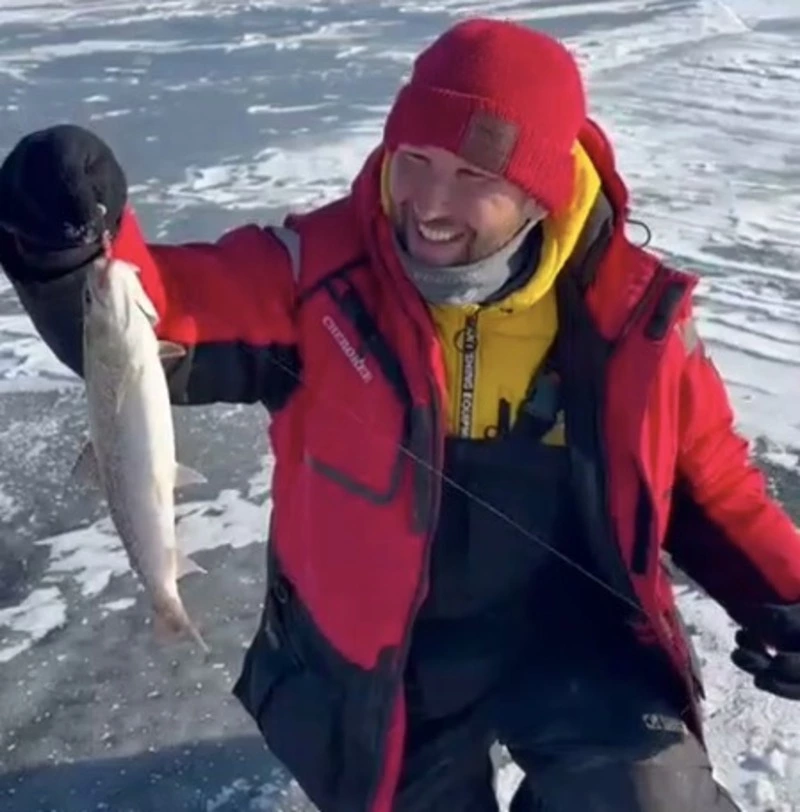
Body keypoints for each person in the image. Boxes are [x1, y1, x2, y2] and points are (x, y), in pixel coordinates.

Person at [1, 16, 799, 812]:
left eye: (473, 175)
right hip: (381, 658)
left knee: (651, 800)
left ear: (540, 190)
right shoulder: (319, 275)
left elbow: (714, 489)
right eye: (413, 161)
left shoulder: (632, 318)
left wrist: (791, 601)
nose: (430, 205)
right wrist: (64, 248)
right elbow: (158, 313)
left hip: (576, 641)